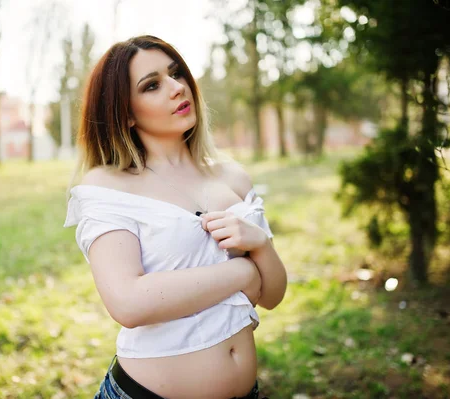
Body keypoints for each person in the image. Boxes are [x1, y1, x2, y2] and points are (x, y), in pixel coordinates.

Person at [64, 35, 287, 399]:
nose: (176, 87)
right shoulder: (109, 186)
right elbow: (128, 303)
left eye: (175, 73)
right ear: (127, 113)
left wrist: (260, 245)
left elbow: (273, 295)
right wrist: (243, 271)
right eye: (152, 85)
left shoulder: (231, 177)